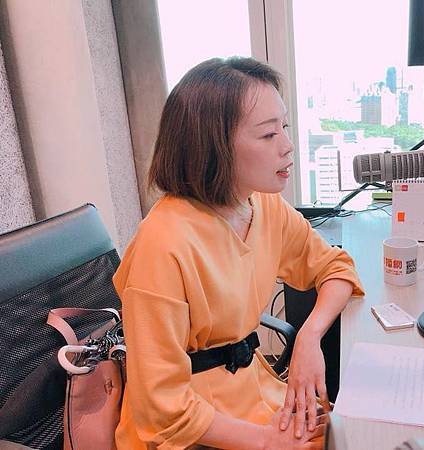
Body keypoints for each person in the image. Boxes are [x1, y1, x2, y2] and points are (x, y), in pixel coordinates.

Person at [112, 56, 364, 449]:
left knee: (352, 432)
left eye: (285, 128)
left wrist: (309, 337)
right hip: (192, 426)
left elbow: (335, 268)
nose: (287, 145)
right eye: (268, 135)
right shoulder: (162, 245)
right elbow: (160, 408)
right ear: (213, 147)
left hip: (251, 391)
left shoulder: (262, 205)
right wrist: (267, 442)